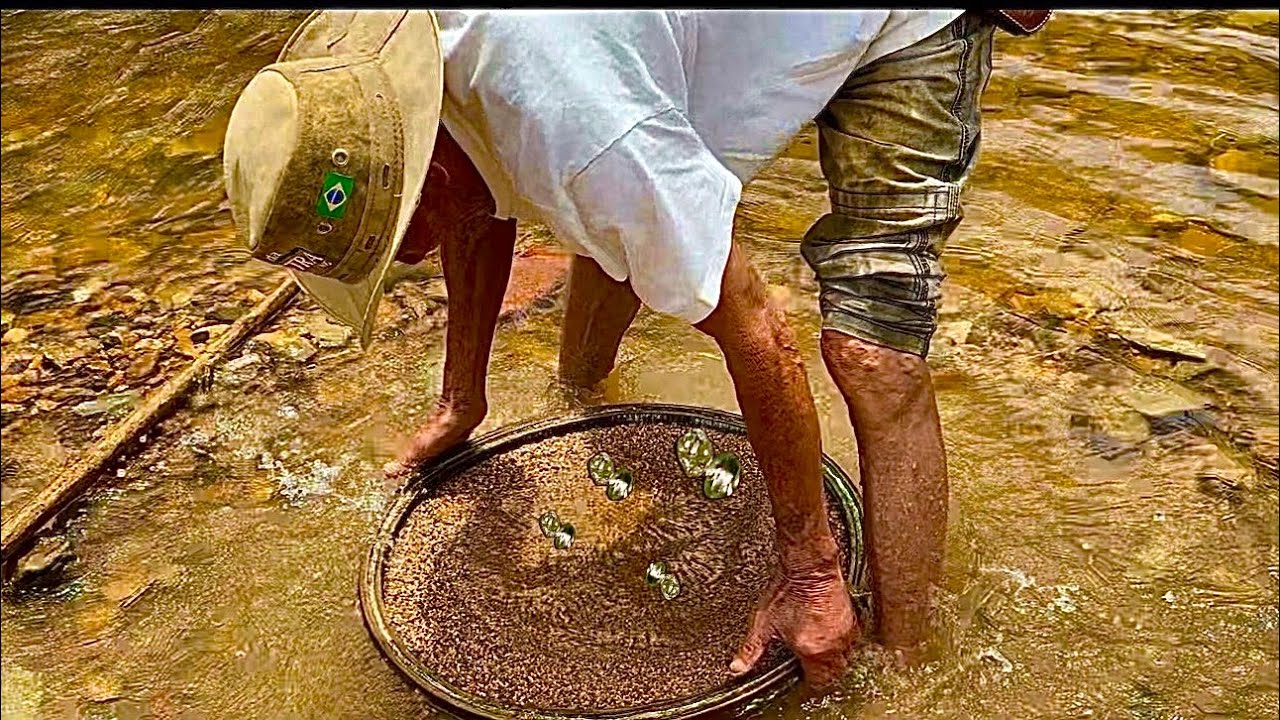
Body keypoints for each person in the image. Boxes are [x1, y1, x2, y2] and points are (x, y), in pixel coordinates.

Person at [221, 8, 1049, 688]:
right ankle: (583, 392)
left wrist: (809, 570)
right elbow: (478, 196)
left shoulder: (579, 125)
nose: (406, 264)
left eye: (398, 248)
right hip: (712, 47)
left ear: (421, 177)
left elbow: (759, 329)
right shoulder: (403, 73)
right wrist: (461, 398)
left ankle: (907, 674)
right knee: (629, 225)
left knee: (872, 353)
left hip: (910, 25)